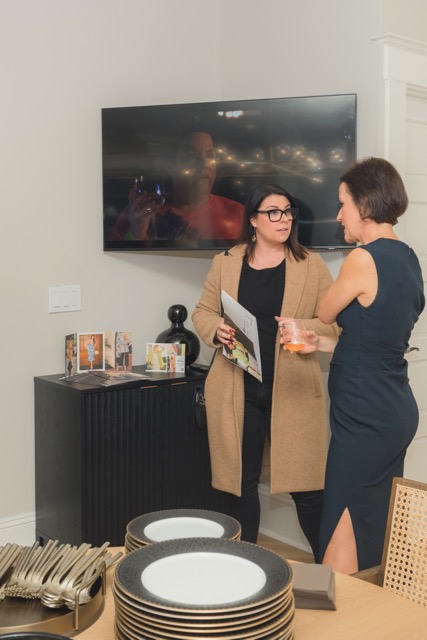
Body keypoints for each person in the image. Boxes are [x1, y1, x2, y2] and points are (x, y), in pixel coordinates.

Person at [281, 157, 425, 574]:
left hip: (364, 417)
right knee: (373, 520)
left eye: (343, 203)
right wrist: (321, 344)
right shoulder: (409, 257)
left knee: (344, 513)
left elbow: (325, 311)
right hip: (393, 408)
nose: (339, 214)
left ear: (364, 203)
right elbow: (373, 339)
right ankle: (375, 606)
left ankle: (341, 610)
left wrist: (315, 327)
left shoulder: (363, 258)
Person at [192, 183, 339, 561]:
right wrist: (215, 329)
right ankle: (247, 567)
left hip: (293, 388)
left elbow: (335, 324)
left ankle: (331, 570)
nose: (284, 219)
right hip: (237, 388)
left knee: (308, 489)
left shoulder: (311, 265)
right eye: (273, 212)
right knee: (239, 486)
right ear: (253, 220)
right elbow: (203, 311)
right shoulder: (225, 262)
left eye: (288, 211)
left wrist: (304, 329)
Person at [109, 131, 244, 241]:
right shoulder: (140, 212)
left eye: (210, 156)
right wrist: (136, 234)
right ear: (171, 165)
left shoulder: (238, 214)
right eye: (191, 156)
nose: (203, 164)